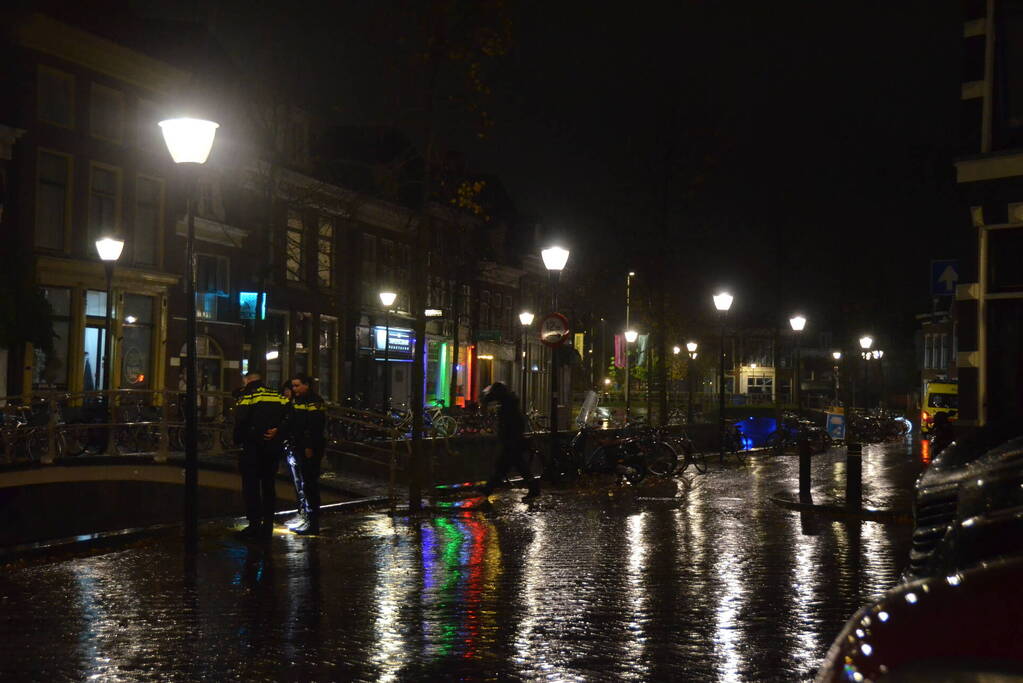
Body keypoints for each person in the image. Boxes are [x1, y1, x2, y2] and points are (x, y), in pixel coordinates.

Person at [232, 371, 290, 540]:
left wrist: (238, 440)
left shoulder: (247, 396)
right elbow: (288, 415)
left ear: (247, 380)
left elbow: (241, 421)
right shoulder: (276, 395)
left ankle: (254, 524)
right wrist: (278, 432)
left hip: (252, 448)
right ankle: (268, 524)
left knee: (251, 487)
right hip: (271, 448)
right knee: (268, 486)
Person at [481, 381, 540, 501]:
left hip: (511, 442)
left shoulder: (508, 406)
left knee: (505, 466)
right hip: (512, 441)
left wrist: (507, 438)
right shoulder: (510, 403)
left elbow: (510, 425)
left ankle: (488, 488)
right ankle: (489, 488)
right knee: (513, 466)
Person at [288, 373, 326, 535]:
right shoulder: (299, 400)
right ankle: (308, 519)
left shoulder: (314, 401)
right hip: (299, 446)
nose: (294, 389)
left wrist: (309, 446)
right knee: (304, 483)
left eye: (297, 385)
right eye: (293, 386)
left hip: (308, 448)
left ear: (306, 385)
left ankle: (313, 522)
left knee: (309, 484)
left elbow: (315, 426)